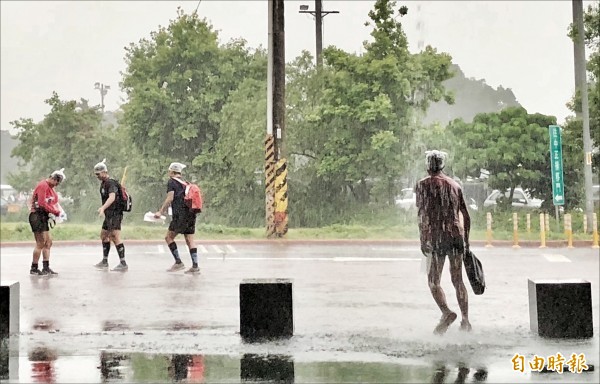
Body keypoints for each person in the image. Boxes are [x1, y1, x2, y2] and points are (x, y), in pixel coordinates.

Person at [415, 150, 471, 335]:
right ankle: (465, 319)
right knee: (458, 280)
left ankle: (447, 312)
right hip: (456, 236)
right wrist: (466, 241)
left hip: (438, 237)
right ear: (442, 165)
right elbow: (466, 215)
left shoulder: (423, 185)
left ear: (428, 165)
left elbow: (422, 215)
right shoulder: (455, 185)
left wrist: (423, 238)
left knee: (433, 280)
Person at [155, 162, 200, 274]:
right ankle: (195, 266)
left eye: (169, 170)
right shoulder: (185, 183)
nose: (168, 172)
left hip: (180, 215)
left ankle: (178, 262)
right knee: (190, 240)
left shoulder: (172, 182)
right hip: (190, 214)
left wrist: (161, 212)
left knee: (168, 237)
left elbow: (170, 198)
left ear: (172, 172)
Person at [28, 168, 66, 276]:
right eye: (57, 183)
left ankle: (46, 267)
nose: (56, 185)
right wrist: (54, 211)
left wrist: (57, 212)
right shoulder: (43, 185)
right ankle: (34, 268)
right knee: (40, 243)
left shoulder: (50, 188)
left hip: (43, 216)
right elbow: (41, 203)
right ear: (54, 178)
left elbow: (53, 201)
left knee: (48, 242)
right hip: (37, 216)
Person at [93, 159, 128, 272]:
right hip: (109, 215)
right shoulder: (104, 183)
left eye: (98, 174)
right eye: (96, 174)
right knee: (104, 235)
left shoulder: (111, 183)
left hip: (115, 213)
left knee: (115, 236)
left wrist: (103, 208)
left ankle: (123, 263)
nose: (97, 176)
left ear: (104, 172)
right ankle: (105, 261)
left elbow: (112, 197)